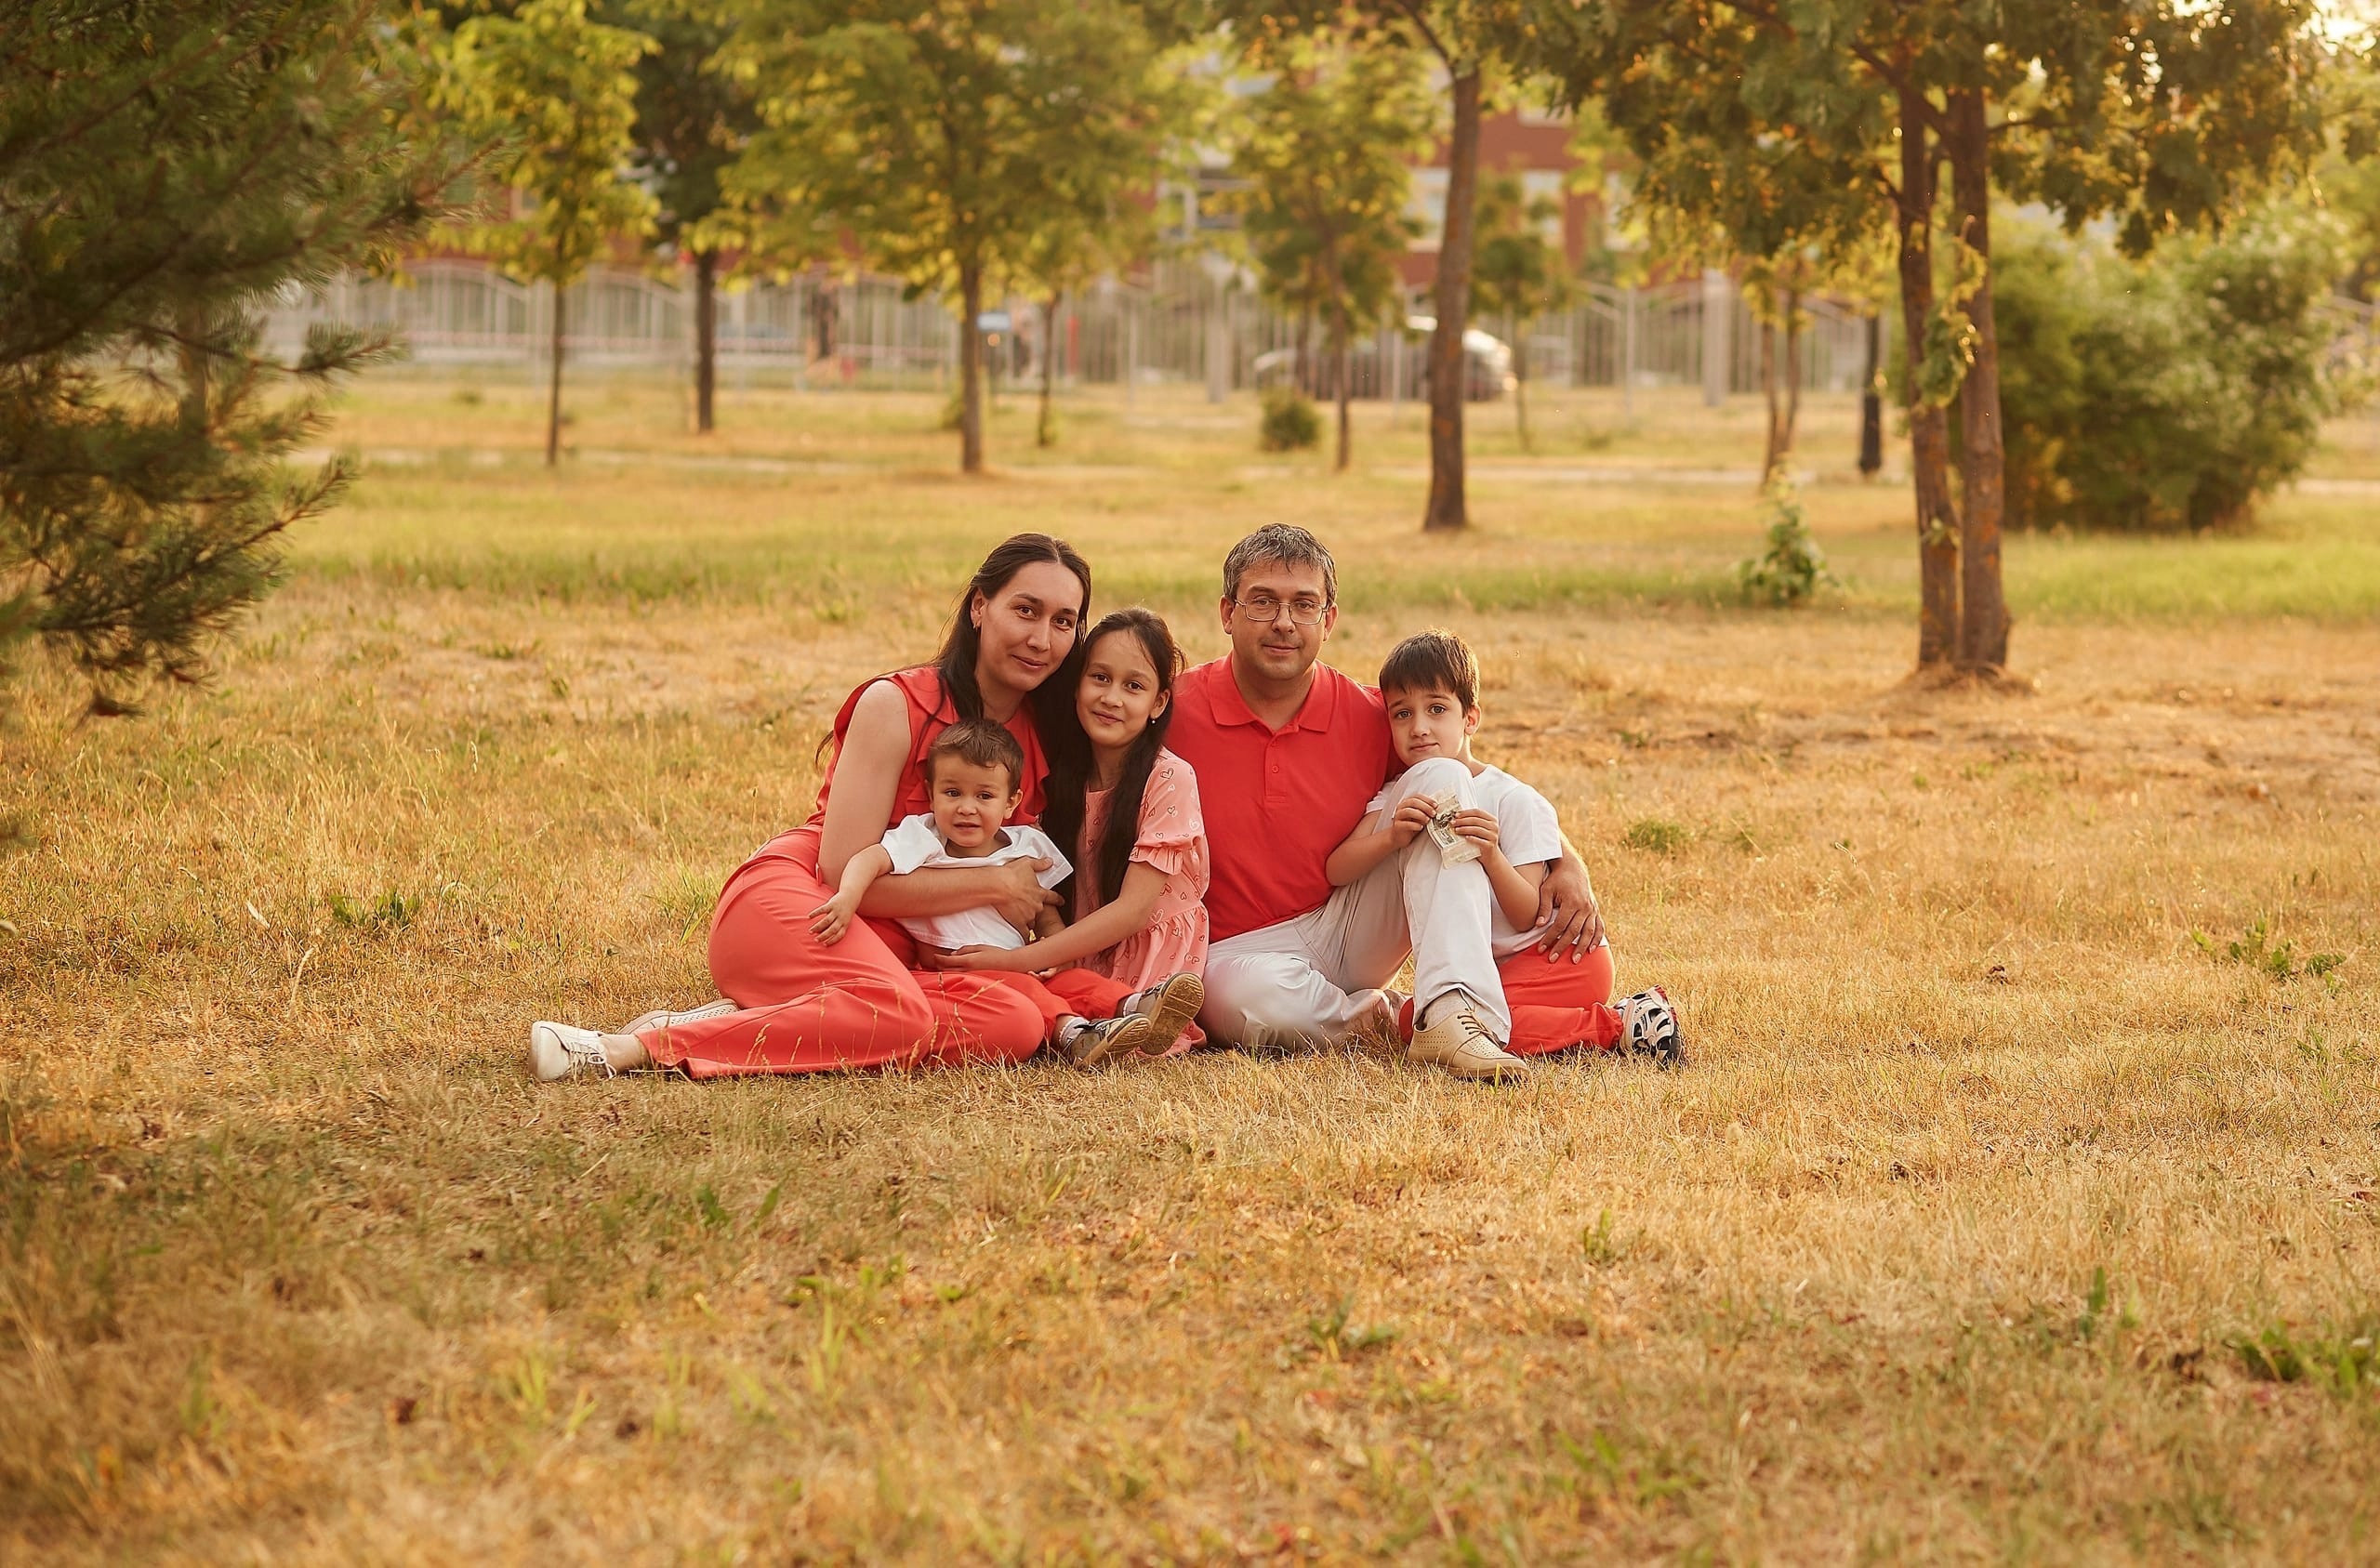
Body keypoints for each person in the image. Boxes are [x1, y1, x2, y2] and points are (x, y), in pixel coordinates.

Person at [527, 534, 1092, 1082]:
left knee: (1014, 1024)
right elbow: (841, 871)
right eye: (1025, 610)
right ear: (979, 607)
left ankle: (765, 1017)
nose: (1041, 639)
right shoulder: (895, 703)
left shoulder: (1044, 739)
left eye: (1062, 621)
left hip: (900, 952)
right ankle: (630, 1048)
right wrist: (996, 885)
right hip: (810, 899)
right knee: (898, 1011)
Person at [1170, 524, 1609, 1083]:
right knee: (1238, 1000)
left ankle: (1455, 1016)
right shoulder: (1175, 711)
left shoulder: (1369, 713)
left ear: (1328, 621)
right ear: (1227, 612)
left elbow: (1462, 772)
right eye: (1263, 602)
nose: (1284, 622)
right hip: (1239, 950)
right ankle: (1380, 1018)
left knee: (1436, 777)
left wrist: (1568, 858)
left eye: (1304, 605)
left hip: (1350, 921)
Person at [1328, 630, 1683, 1065]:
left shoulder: (1515, 800)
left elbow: (1524, 912)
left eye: (1437, 709)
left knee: (1470, 1025)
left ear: (1470, 718)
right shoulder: (1396, 795)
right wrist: (1390, 838)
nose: (1419, 727)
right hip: (1498, 968)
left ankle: (1619, 1023)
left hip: (1558, 957)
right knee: (1430, 1022)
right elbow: (1337, 869)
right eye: (1402, 714)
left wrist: (1492, 855)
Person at [928, 608, 1210, 1055]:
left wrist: (1019, 959)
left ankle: (1135, 1011)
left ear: (1159, 703)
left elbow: (1133, 912)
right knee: (1041, 1000)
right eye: (1099, 677)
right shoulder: (1060, 775)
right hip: (1073, 948)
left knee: (1104, 1014)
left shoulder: (1169, 779)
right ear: (1077, 684)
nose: (1112, 698)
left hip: (1144, 954)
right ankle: (1081, 1027)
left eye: (1133, 686)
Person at [813, 718, 1165, 1067]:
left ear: (1011, 802)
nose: (967, 807)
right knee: (1027, 993)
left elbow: (1044, 910)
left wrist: (1054, 950)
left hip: (1018, 961)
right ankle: (1074, 1034)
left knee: (1074, 981)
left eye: (984, 795)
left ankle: (1136, 1009)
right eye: (953, 793)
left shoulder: (1025, 846)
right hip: (958, 972)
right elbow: (868, 859)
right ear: (930, 794)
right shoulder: (925, 838)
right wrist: (847, 897)